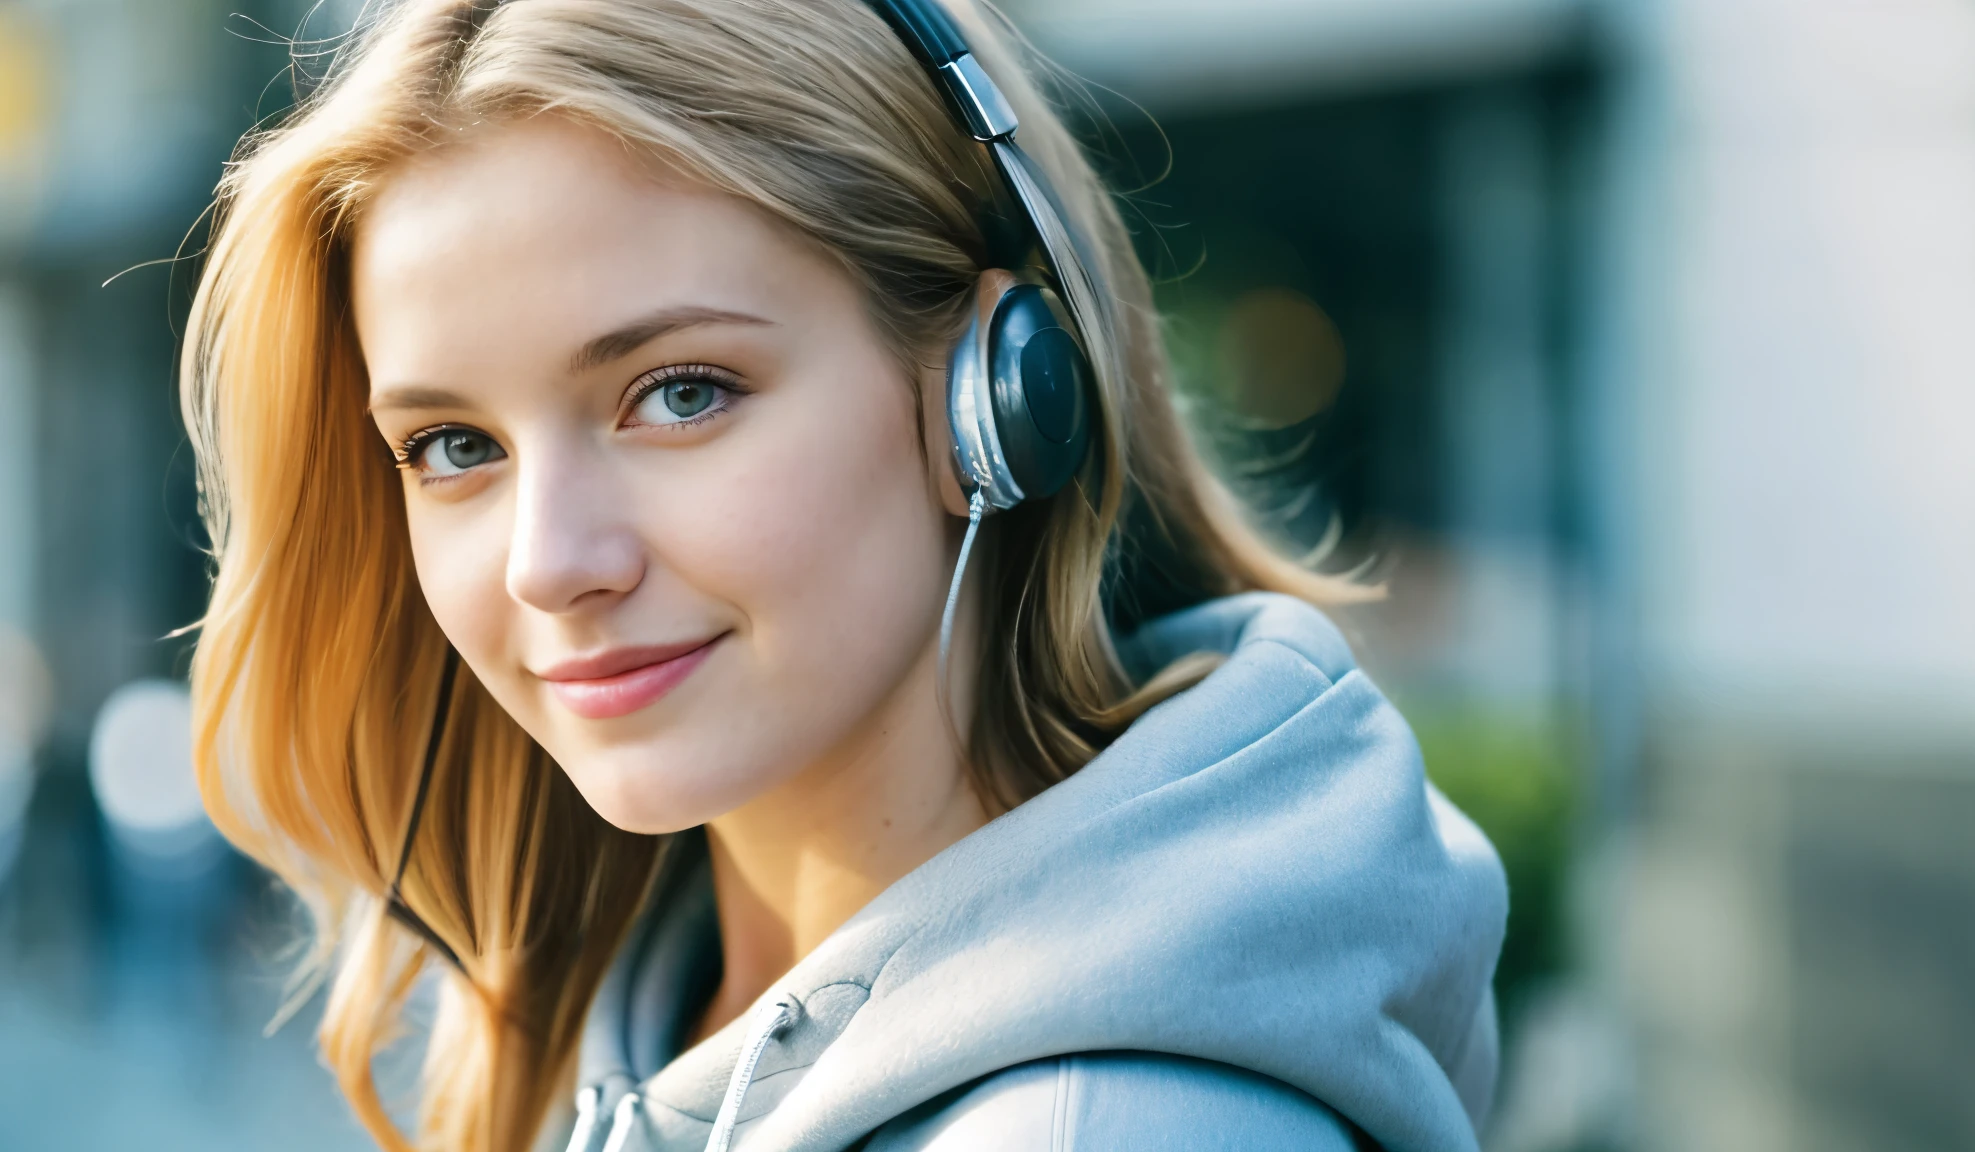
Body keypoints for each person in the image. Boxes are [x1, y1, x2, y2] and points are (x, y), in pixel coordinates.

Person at [179, 1, 1506, 1149]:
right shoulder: (632, 1020)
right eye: (453, 445)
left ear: (997, 391)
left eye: (681, 392)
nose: (549, 565)